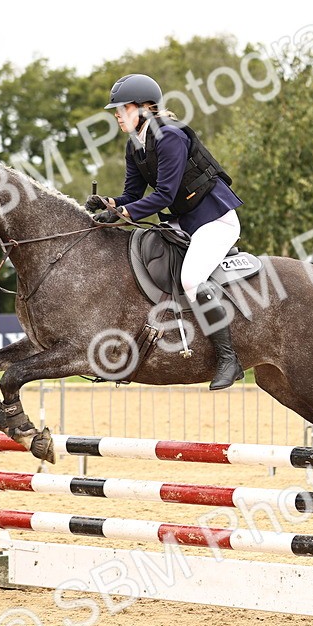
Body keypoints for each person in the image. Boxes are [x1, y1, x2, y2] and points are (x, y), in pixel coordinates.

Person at [86, 73, 245, 391]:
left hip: (215, 220)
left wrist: (121, 214)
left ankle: (229, 359)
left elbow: (167, 195)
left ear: (144, 108)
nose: (116, 114)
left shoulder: (169, 135)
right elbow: (132, 195)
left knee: (191, 280)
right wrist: (109, 202)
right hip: (183, 223)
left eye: (122, 108)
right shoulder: (136, 145)